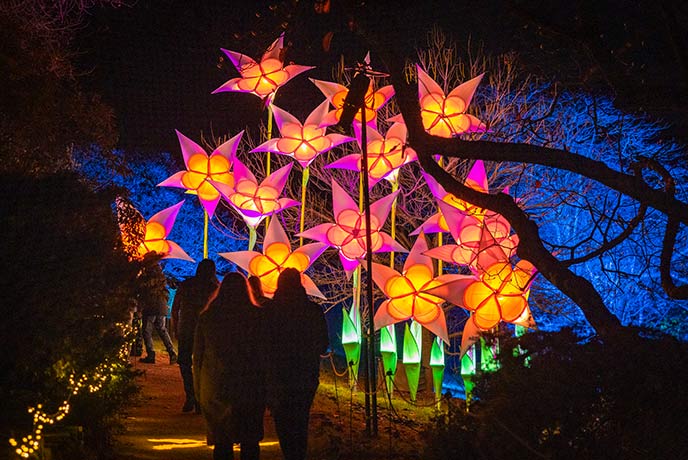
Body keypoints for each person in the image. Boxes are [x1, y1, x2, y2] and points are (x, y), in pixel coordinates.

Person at [193, 272, 267, 460]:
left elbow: (198, 356)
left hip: (216, 384)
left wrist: (198, 389)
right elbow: (264, 353)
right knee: (249, 441)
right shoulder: (257, 317)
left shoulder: (208, 317)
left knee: (222, 441)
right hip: (249, 384)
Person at [264, 268, 329, 460]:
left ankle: (290, 453)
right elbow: (323, 344)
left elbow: (263, 342)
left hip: (278, 375)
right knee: (300, 419)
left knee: (283, 420)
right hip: (305, 375)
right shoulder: (313, 311)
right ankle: (298, 454)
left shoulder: (270, 311)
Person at [171, 259, 219, 412]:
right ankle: (199, 398)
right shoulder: (213, 288)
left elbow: (175, 307)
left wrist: (176, 325)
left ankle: (190, 395)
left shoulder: (186, 285)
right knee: (202, 366)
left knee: (185, 363)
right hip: (205, 332)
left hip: (187, 328)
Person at [136, 255, 177, 365]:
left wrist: (140, 307)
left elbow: (143, 290)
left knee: (146, 331)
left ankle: (151, 354)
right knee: (162, 329)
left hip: (151, 306)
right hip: (161, 305)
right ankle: (172, 352)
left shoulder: (147, 275)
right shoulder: (161, 275)